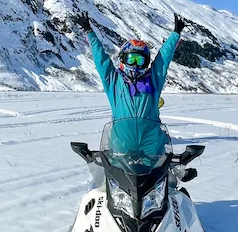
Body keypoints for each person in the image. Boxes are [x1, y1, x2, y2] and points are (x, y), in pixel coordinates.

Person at [75, 11, 186, 168]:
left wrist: (175, 34)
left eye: (139, 60)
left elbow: (163, 59)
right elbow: (101, 60)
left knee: (161, 178)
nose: (135, 64)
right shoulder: (114, 81)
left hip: (152, 145)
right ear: (123, 59)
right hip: (120, 145)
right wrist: (89, 31)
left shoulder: (153, 81)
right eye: (131, 58)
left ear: (146, 63)